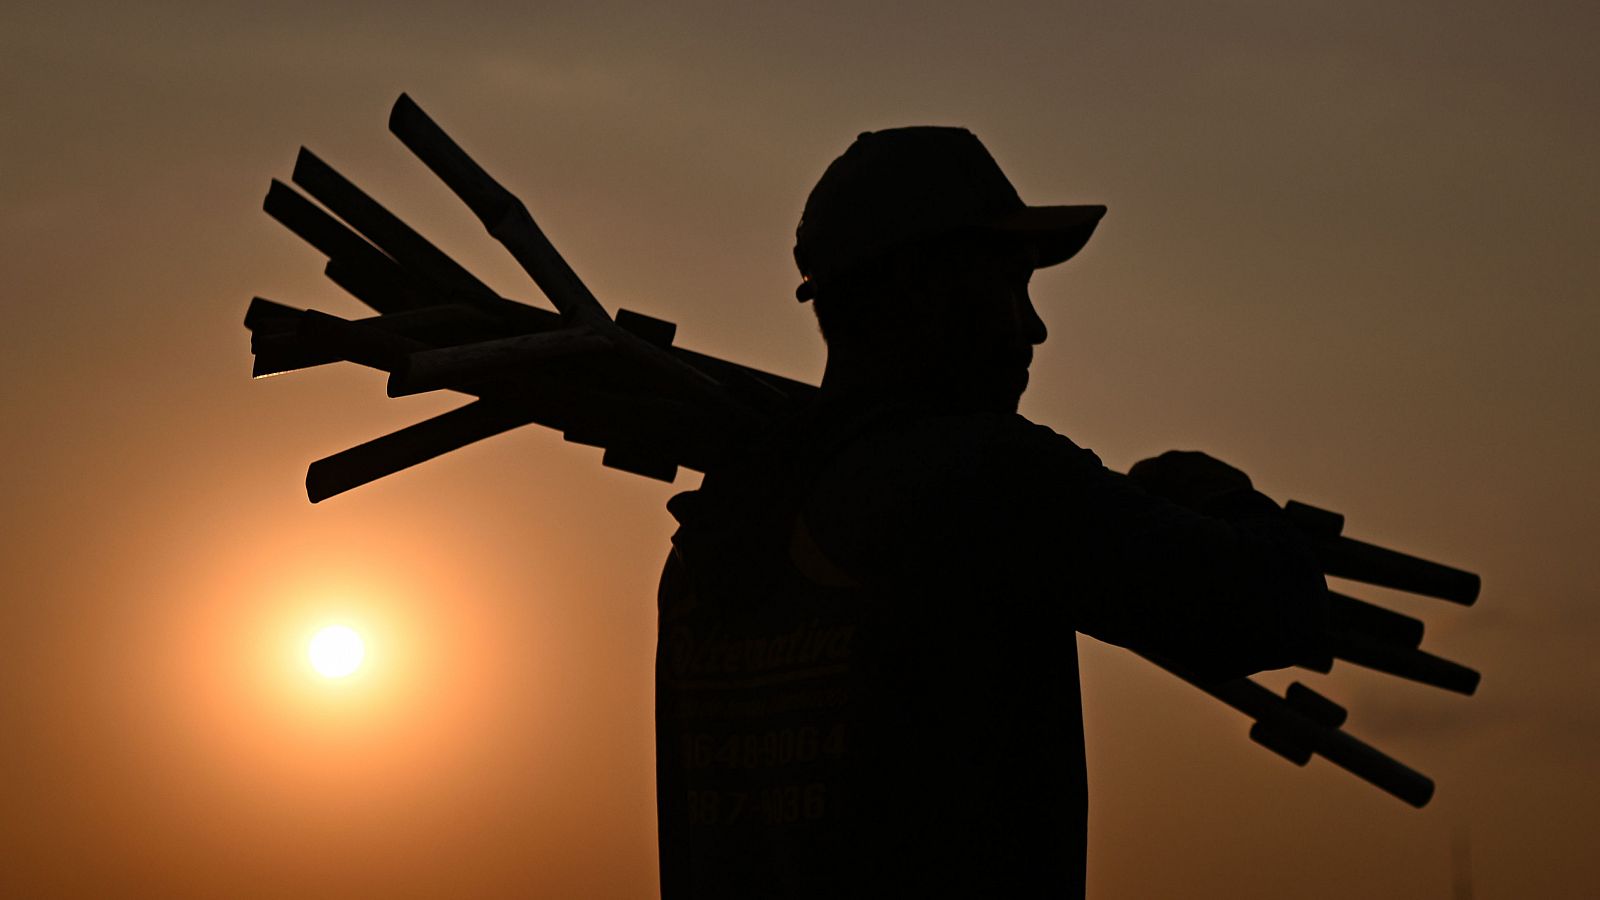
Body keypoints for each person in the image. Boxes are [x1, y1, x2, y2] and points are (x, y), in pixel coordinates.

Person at [654, 127, 1329, 899]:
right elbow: (1273, 604)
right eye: (1011, 284)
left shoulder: (711, 538)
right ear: (923, 289)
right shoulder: (982, 477)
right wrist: (1214, 494)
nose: (1034, 326)